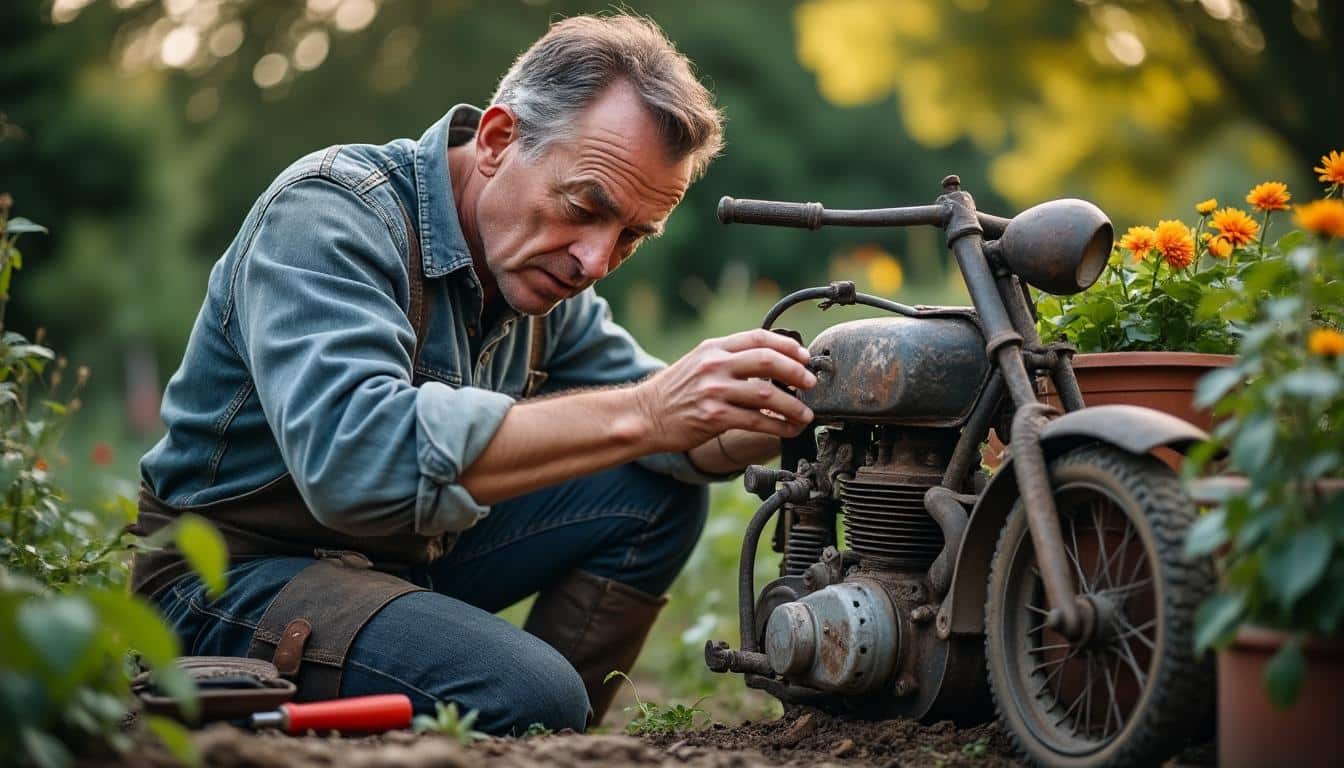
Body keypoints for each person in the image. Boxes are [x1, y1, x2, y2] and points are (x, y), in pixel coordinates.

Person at [131, 13, 816, 734]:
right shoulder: (329, 213)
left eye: (630, 237)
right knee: (529, 689)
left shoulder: (540, 277)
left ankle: (536, 729)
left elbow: (670, 437)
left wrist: (753, 417)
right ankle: (519, 713)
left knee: (654, 493)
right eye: (585, 207)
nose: (594, 262)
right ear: (496, 141)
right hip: (225, 583)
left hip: (392, 563)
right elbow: (357, 462)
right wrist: (650, 412)